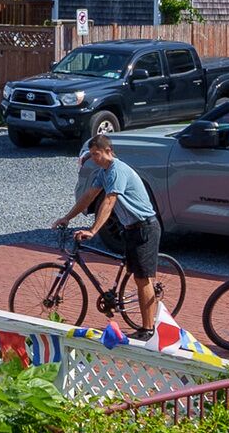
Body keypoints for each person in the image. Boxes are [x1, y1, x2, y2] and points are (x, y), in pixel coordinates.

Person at [62, 113, 167, 334]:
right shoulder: (103, 172)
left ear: (108, 151)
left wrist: (93, 230)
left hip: (145, 228)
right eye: (91, 155)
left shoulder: (117, 171)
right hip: (129, 229)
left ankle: (149, 329)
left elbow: (109, 201)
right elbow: (88, 197)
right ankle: (124, 305)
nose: (95, 158)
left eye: (97, 154)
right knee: (133, 271)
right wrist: (67, 218)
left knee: (143, 280)